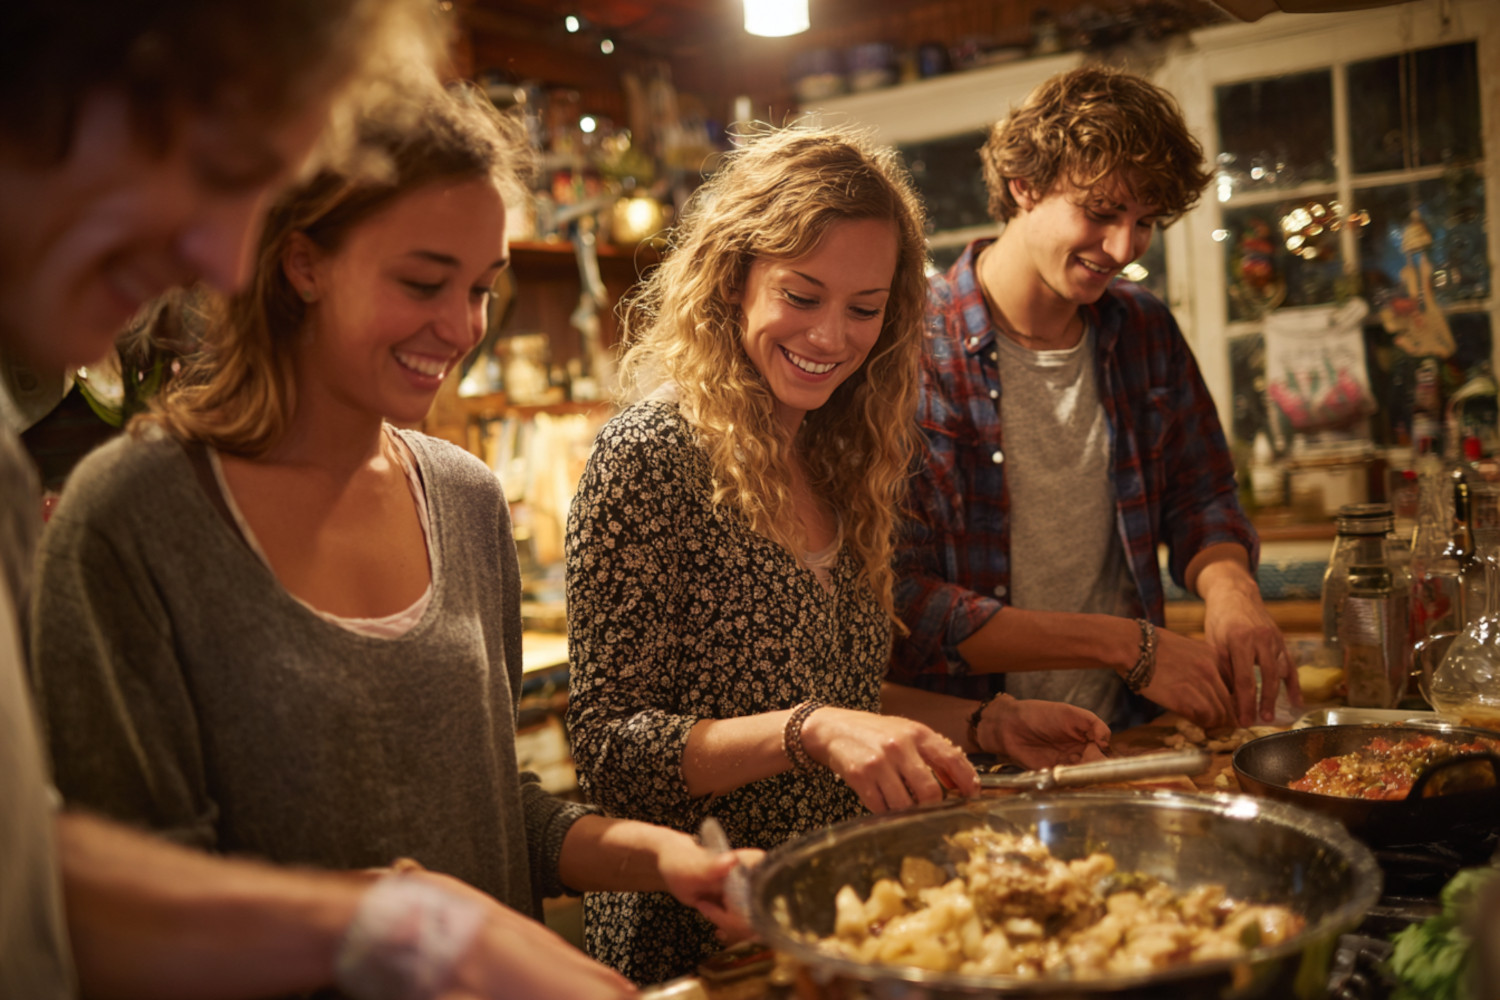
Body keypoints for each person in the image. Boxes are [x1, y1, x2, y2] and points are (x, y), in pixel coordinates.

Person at [0, 3, 719, 998]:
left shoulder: (462, 497)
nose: (462, 325)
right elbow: (105, 898)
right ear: (302, 262)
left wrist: (665, 858)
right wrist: (403, 926)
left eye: (484, 289)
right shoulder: (132, 514)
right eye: (426, 280)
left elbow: (489, 812)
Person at [565, 124, 1114, 985]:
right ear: (733, 277)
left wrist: (985, 723)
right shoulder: (652, 455)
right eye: (802, 294)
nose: (831, 336)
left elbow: (837, 695)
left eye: (864, 309)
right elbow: (610, 753)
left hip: (842, 921)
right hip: (704, 941)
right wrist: (808, 731)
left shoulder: (843, 455)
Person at [891, 65, 1301, 732]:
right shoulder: (909, 351)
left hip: (1125, 734)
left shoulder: (1143, 329)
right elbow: (902, 601)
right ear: (1024, 185)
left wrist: (1232, 589)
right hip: (968, 748)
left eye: (1146, 221)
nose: (1123, 248)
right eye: (1102, 212)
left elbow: (1201, 496)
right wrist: (1127, 647)